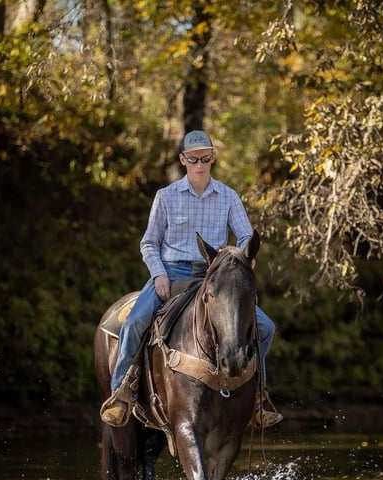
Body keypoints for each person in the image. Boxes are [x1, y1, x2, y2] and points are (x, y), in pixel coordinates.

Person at [100, 129, 283, 428]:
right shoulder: (166, 197)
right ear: (184, 160)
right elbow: (149, 243)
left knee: (265, 328)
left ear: (213, 158)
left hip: (214, 276)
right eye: (194, 159)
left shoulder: (228, 196)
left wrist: (245, 253)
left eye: (206, 158)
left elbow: (246, 233)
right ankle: (121, 392)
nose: (200, 164)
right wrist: (158, 274)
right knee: (134, 321)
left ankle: (258, 397)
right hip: (172, 271)